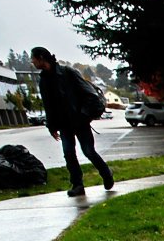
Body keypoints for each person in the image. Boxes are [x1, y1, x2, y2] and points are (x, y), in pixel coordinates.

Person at [30, 47, 113, 196]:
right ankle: (77, 184)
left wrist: (84, 115)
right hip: (64, 124)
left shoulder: (68, 73)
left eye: (33, 58)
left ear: (41, 58)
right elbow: (48, 106)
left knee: (88, 151)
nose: (32, 61)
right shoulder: (43, 81)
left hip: (80, 121)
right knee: (69, 153)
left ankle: (106, 173)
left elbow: (90, 94)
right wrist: (51, 126)